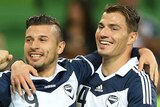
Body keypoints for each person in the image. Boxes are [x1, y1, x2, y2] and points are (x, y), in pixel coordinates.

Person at [0, 14, 158, 106]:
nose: (34, 46)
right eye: (29, 40)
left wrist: (142, 51)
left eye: (42, 39)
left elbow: (114, 49)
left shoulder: (75, 69)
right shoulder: (9, 81)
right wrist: (16, 65)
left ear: (60, 47)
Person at [76, 4, 157, 106]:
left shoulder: (138, 83)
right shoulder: (84, 69)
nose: (103, 33)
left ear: (132, 37)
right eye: (101, 27)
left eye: (114, 28)